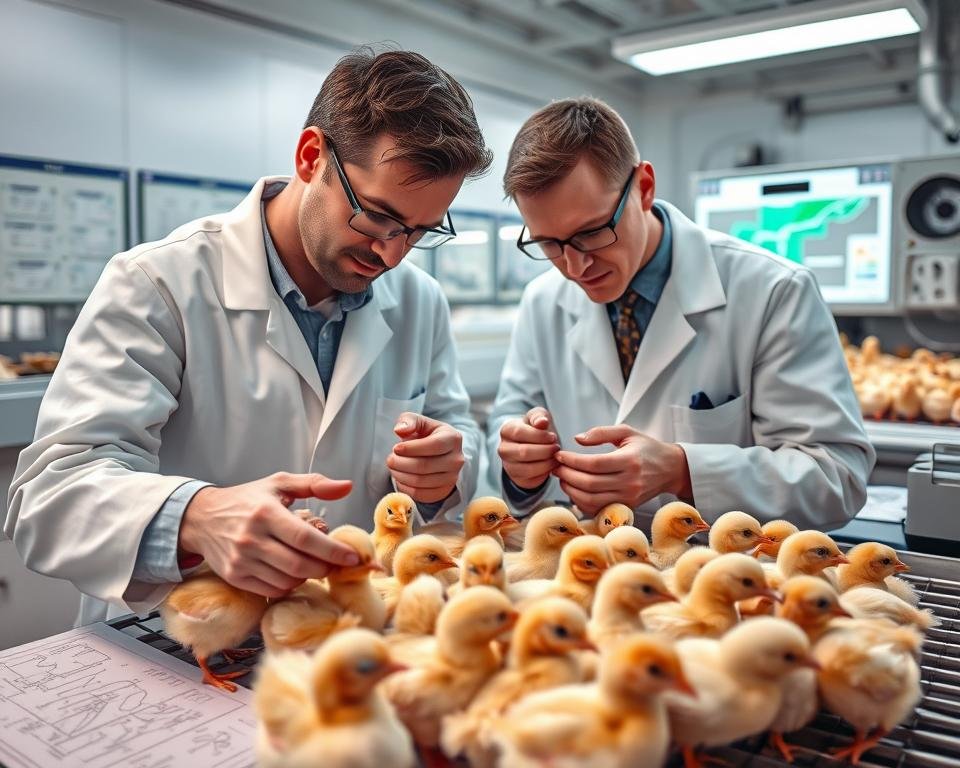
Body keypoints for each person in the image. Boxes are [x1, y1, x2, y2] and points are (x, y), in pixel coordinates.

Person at [5, 48, 492, 625]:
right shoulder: (159, 282)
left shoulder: (419, 302)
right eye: (377, 217)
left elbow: (459, 442)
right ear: (312, 157)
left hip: (342, 636)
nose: (391, 252)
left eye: (419, 231)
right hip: (178, 641)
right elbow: (49, 499)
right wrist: (196, 517)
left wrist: (443, 473)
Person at [488, 97, 874, 531]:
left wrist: (683, 470)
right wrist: (519, 467)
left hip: (724, 580)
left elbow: (836, 476)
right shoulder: (543, 301)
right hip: (592, 575)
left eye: (592, 233)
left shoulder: (773, 291)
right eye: (548, 244)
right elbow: (506, 432)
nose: (574, 267)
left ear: (644, 188)